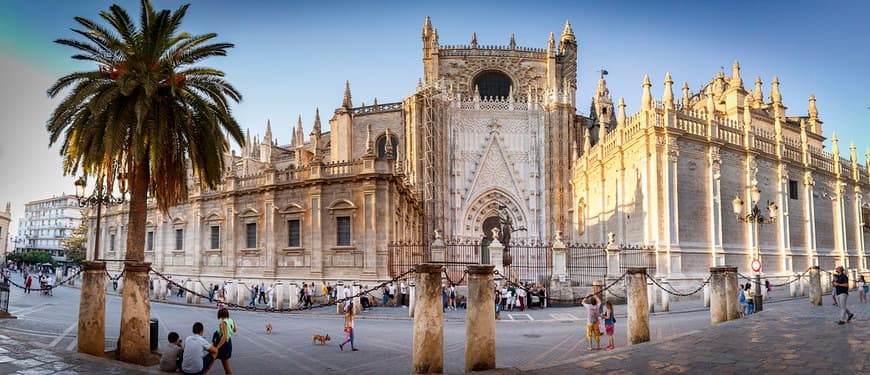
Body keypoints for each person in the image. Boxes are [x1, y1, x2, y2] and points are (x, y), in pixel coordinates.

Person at [215, 308, 236, 374]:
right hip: (229, 342)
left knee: (226, 366)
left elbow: (224, 337)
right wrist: (229, 330)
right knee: (213, 357)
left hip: (223, 344)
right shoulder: (231, 320)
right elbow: (235, 330)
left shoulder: (223, 323)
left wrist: (217, 347)